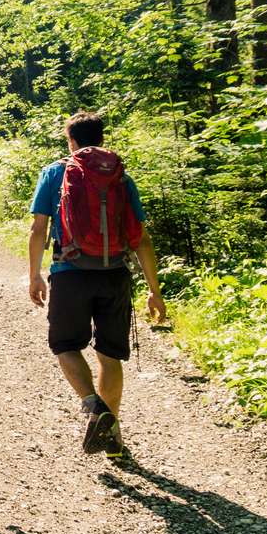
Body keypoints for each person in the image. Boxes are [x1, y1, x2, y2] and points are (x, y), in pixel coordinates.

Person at [27, 111, 166, 459]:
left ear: (70, 140)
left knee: (65, 345)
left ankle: (93, 406)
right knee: (109, 356)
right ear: (101, 139)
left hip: (69, 272)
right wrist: (154, 290)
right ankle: (114, 436)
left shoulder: (55, 172)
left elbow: (38, 229)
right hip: (115, 274)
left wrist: (33, 274)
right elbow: (142, 239)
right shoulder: (120, 177)